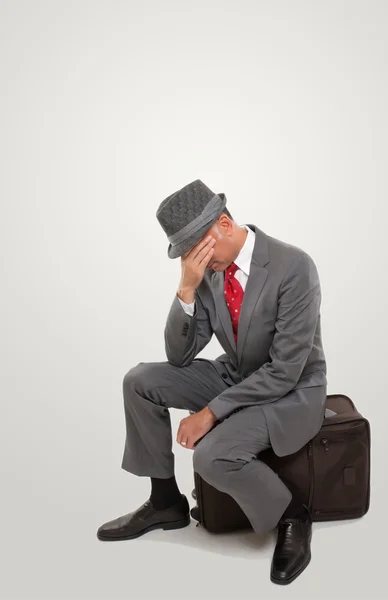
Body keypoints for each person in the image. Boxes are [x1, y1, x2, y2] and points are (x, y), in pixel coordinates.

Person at [96, 179, 328, 585]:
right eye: (185, 255)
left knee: (210, 456)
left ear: (223, 223)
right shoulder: (206, 275)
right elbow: (179, 358)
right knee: (139, 381)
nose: (194, 261)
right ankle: (165, 501)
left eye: (196, 249)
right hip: (237, 377)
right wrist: (186, 288)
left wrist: (210, 413)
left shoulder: (294, 266)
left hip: (290, 393)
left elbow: (285, 371)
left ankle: (292, 514)